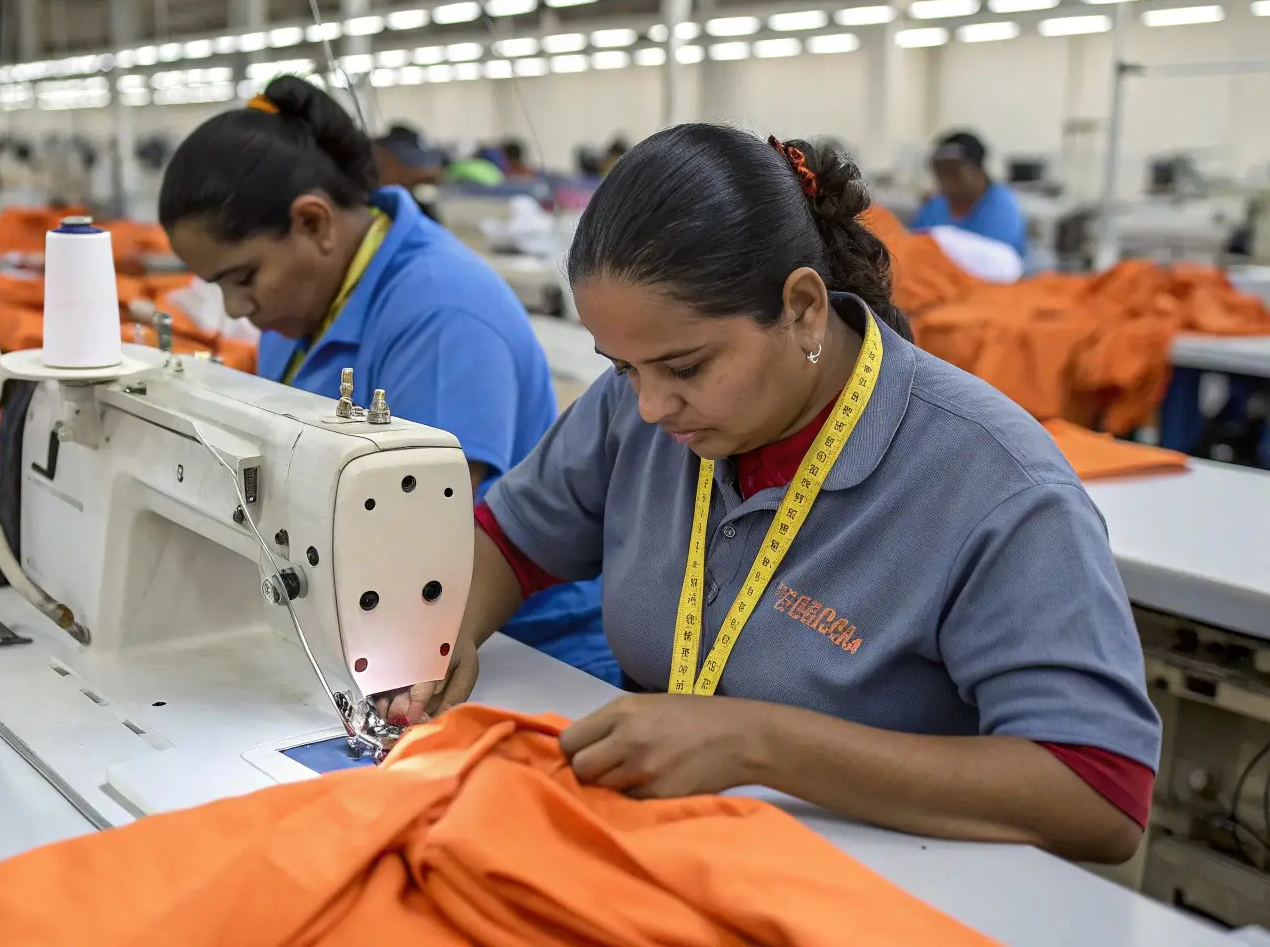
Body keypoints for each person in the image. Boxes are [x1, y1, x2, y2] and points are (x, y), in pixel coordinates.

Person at [383, 124, 1161, 864]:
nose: (650, 407)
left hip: (881, 886)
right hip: (670, 846)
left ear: (802, 308)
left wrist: (760, 743)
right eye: (623, 367)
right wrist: (443, 639)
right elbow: (512, 538)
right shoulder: (643, 408)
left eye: (686, 369)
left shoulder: (995, 487)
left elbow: (1099, 793)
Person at [157, 76, 619, 685]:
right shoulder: (299, 303)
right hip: (370, 623)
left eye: (242, 277)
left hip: (521, 654)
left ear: (314, 222)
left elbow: (417, 540)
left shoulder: (444, 318)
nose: (236, 307)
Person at [912, 131, 1026, 258]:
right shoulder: (936, 206)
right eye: (940, 173)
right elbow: (915, 247)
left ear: (979, 170)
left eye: (954, 172)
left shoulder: (1001, 208)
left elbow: (995, 261)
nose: (946, 181)